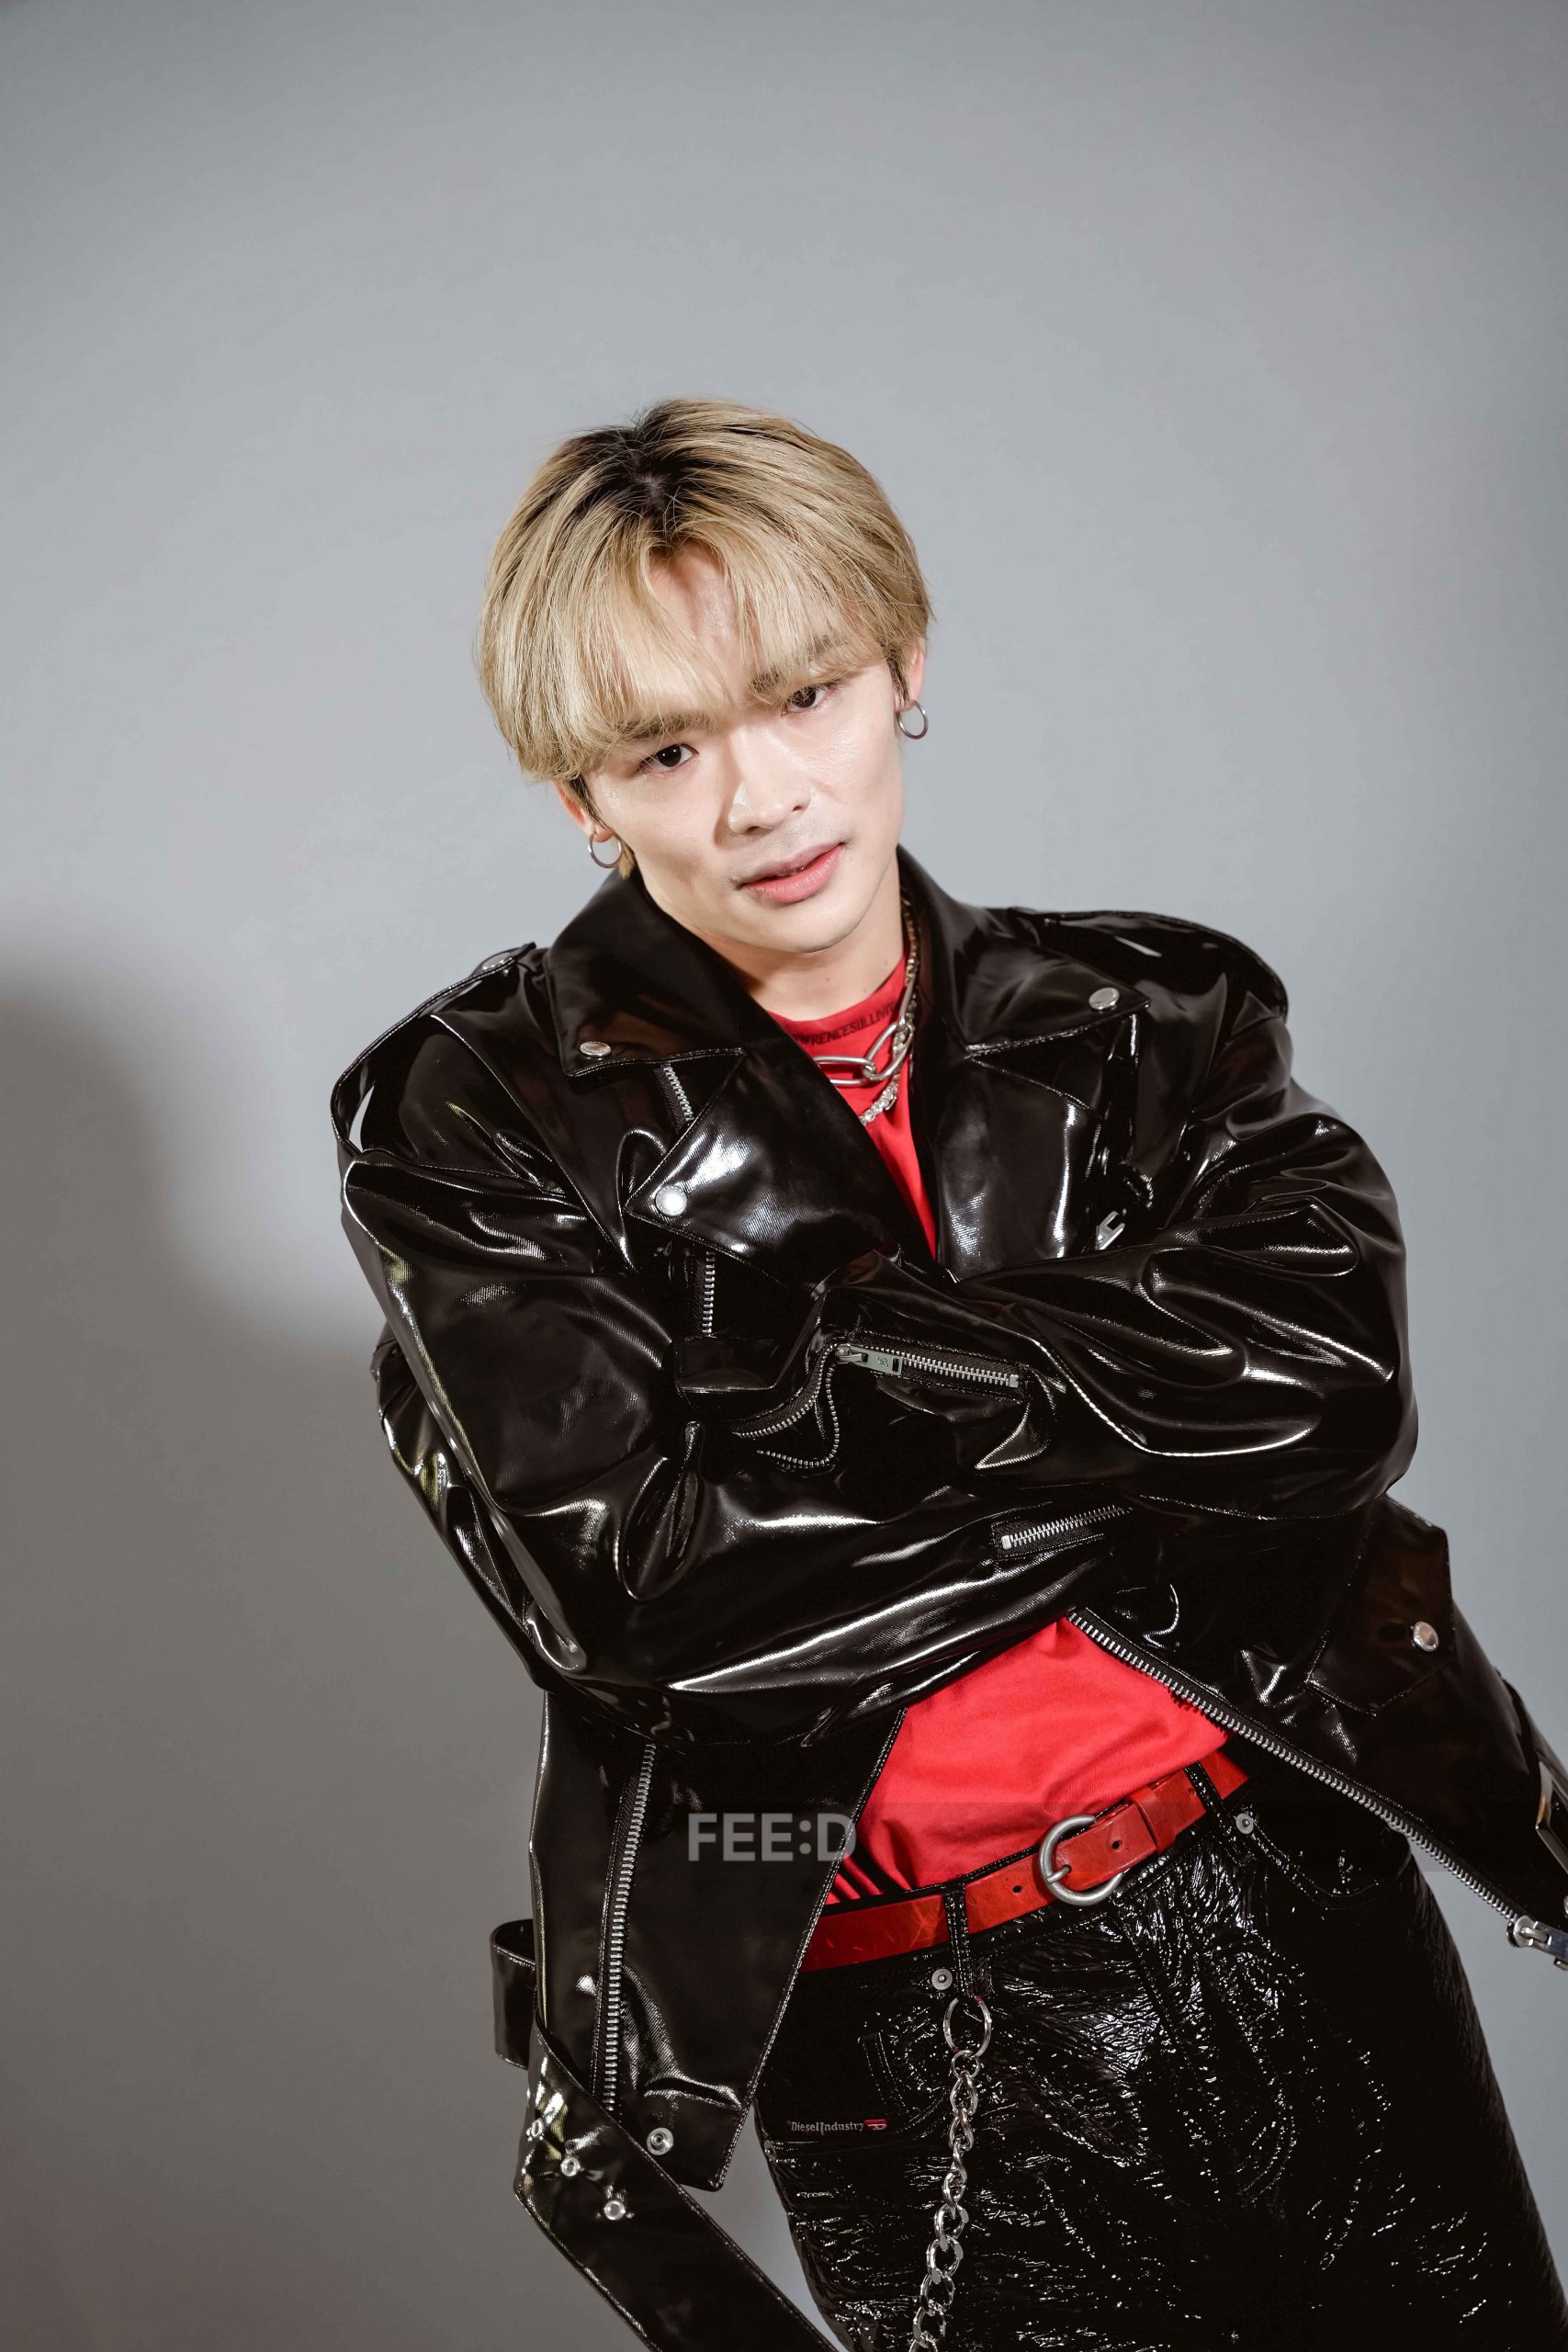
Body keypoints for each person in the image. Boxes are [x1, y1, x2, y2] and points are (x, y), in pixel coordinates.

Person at [331, 398, 1568, 2351]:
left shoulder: (1151, 1015)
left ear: (903, 667)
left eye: (802, 693)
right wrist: (1141, 1432)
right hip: (935, 2022)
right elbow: (653, 1605)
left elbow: (1332, 1394)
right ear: (583, 798)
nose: (761, 797)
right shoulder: (478, 1118)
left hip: (1300, 1899)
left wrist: (834, 1362)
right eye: (667, 748)